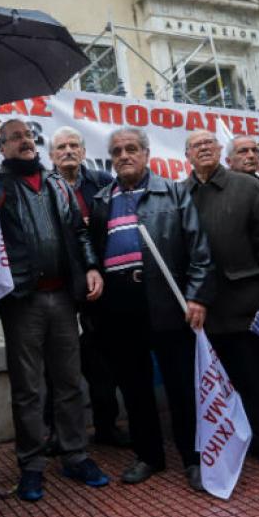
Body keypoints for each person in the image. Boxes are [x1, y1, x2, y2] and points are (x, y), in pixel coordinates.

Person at [0, 119, 109, 501]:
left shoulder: (58, 183)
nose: (25, 142)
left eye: (28, 136)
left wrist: (90, 266)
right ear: (2, 146)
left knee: (69, 381)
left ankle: (75, 455)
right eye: (15, 138)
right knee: (28, 389)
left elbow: (78, 232)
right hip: (21, 301)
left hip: (62, 298)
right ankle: (32, 465)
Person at [89, 127, 213, 490]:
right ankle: (149, 456)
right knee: (134, 385)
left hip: (167, 300)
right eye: (116, 151)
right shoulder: (102, 199)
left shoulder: (173, 191)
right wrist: (93, 268)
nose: (124, 156)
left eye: (131, 149)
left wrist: (197, 297)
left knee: (180, 385)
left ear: (145, 153)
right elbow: (90, 246)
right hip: (119, 306)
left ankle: (194, 458)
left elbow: (200, 250)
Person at [183, 130, 259, 470]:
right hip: (202, 307)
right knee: (217, 381)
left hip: (245, 301)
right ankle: (228, 442)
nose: (204, 147)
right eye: (196, 145)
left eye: (210, 142)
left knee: (252, 377)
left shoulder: (246, 187)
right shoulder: (180, 193)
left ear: (221, 151)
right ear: (187, 156)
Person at [46, 126, 128, 448]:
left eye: (73, 145)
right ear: (51, 155)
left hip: (100, 285)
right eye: (61, 146)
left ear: (82, 151)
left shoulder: (103, 183)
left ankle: (107, 426)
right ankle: (57, 434)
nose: (68, 151)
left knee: (101, 363)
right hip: (61, 288)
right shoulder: (42, 188)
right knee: (54, 368)